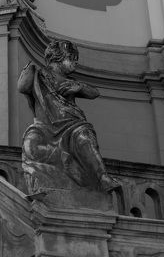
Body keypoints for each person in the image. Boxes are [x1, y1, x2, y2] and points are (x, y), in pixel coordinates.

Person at [18, 39, 118, 193]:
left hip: (72, 126)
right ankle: (64, 159)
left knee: (85, 137)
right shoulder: (39, 76)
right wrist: (28, 71)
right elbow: (22, 87)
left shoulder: (71, 82)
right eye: (71, 58)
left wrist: (80, 87)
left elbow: (94, 93)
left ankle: (102, 176)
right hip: (44, 128)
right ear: (57, 58)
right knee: (30, 145)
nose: (75, 63)